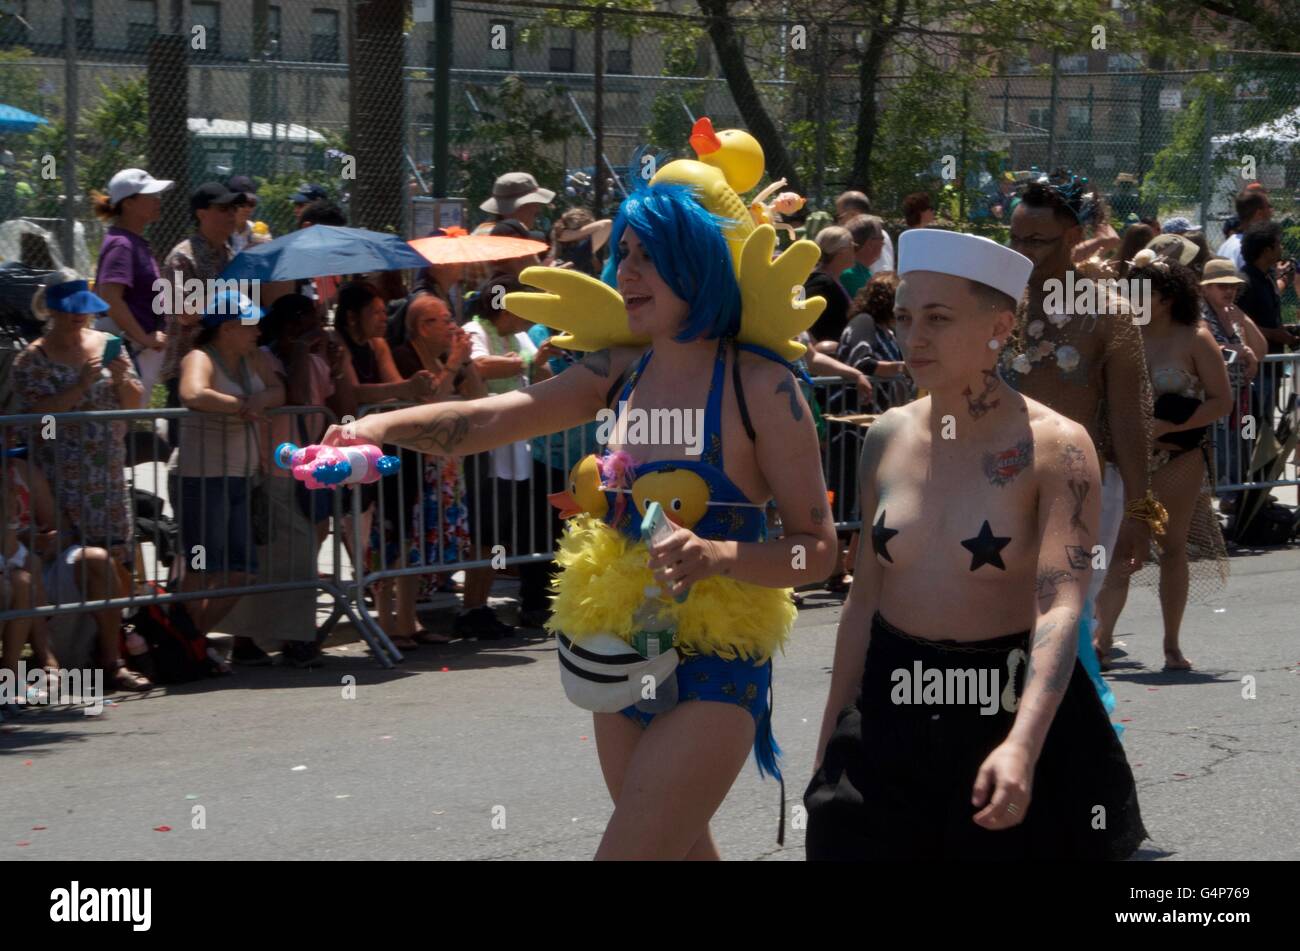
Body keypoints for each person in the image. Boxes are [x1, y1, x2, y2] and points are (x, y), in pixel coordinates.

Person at [322, 182, 838, 859]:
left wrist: (718, 556)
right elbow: (493, 417)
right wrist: (374, 426)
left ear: (699, 263)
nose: (626, 271)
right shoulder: (616, 372)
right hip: (615, 655)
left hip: (718, 664)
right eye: (623, 253)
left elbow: (818, 552)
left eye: (649, 255)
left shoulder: (762, 386)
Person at [804, 228, 1145, 859]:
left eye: (938, 318)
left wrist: (1022, 743)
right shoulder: (884, 437)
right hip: (889, 711)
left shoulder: (1058, 447)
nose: (915, 338)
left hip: (1006, 706)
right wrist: (830, 739)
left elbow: (1061, 605)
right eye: (905, 318)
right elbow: (864, 599)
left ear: (999, 325)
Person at [1002, 177, 1157, 705]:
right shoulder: (1001, 305)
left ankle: (1069, 745)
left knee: (1062, 616)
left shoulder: (1109, 312)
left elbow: (1131, 418)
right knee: (997, 618)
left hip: (1084, 489)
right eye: (1015, 239)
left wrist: (1140, 509)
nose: (1022, 252)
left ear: (1072, 236)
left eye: (1036, 241)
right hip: (1000, 480)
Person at [1092, 259, 1232, 672]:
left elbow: (1221, 401)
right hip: (1125, 458)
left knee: (1171, 549)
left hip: (1177, 459)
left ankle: (1171, 644)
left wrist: (1174, 424)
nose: (1131, 301)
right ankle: (1102, 638)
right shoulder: (1120, 336)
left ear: (1167, 300)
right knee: (1119, 550)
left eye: (1141, 294)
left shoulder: (1195, 338)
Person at [13, 278, 150, 691]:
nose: (79, 317)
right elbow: (39, 416)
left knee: (112, 565)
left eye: (85, 310)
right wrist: (80, 385)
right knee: (57, 568)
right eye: (71, 310)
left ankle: (111, 660)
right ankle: (51, 661)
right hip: (56, 481)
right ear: (50, 312)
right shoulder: (31, 360)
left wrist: (124, 378)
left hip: (104, 476)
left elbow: (132, 403)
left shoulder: (108, 343)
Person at [175, 290, 285, 665]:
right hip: (202, 477)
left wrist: (259, 401)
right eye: (250, 324)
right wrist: (239, 406)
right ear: (227, 328)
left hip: (240, 477)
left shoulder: (252, 357)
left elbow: (277, 390)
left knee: (241, 571)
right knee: (202, 568)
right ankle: (187, 646)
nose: (258, 331)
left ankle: (190, 641)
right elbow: (191, 392)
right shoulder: (200, 356)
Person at [384, 295, 486, 645]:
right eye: (441, 320)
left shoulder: (448, 356)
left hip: (442, 465)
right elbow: (426, 407)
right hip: (407, 459)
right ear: (421, 327)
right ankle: (392, 622)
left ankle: (410, 619)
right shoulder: (404, 355)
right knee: (399, 539)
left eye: (450, 318)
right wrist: (454, 365)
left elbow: (480, 398)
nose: (451, 325)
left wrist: (466, 362)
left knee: (419, 542)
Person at [458, 274, 555, 637]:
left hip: (517, 445)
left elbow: (540, 373)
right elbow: (478, 366)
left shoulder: (521, 337)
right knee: (484, 531)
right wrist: (525, 364)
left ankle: (480, 608)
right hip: (488, 446)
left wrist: (541, 361)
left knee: (498, 532)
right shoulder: (474, 329)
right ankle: (472, 607)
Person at [160, 182, 244, 412]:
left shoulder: (231, 255)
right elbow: (183, 313)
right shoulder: (181, 258)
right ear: (202, 214)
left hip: (226, 366)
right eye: (223, 209)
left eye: (233, 209)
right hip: (187, 370)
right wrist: (224, 291)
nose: (231, 214)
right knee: (189, 444)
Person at [90, 168, 173, 395]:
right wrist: (143, 337)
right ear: (128, 203)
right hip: (126, 350)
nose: (158, 200)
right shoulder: (122, 244)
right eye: (151, 196)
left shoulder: (133, 242)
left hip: (137, 349)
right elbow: (110, 297)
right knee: (121, 423)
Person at [838, 273, 910, 412]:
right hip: (856, 418)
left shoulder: (888, 332)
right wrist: (902, 368)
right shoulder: (864, 321)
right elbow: (862, 364)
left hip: (880, 415)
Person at [804, 226, 856, 347]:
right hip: (826, 356)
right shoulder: (820, 283)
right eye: (853, 246)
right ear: (842, 252)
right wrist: (815, 351)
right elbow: (799, 315)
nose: (855, 251)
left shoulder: (829, 280)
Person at [834, 190, 894, 273]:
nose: (838, 222)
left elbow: (882, 272)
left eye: (839, 216)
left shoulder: (877, 235)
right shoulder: (854, 236)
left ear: (853, 214)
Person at [1216, 188, 1271, 270]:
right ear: (1259, 214)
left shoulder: (1227, 244)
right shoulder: (1249, 249)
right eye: (1269, 207)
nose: (1271, 212)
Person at [551, 207, 612, 276]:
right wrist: (577, 233)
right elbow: (607, 224)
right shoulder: (577, 250)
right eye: (589, 229)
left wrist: (571, 234)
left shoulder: (572, 249)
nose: (590, 234)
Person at [839, 214, 885, 300]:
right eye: (882, 238)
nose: (884, 243)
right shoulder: (849, 275)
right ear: (870, 244)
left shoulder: (864, 272)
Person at [228, 175, 271, 252]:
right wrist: (246, 252)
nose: (247, 209)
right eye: (242, 203)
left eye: (251, 204)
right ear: (230, 202)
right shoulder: (220, 231)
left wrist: (268, 247)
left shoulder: (255, 230)